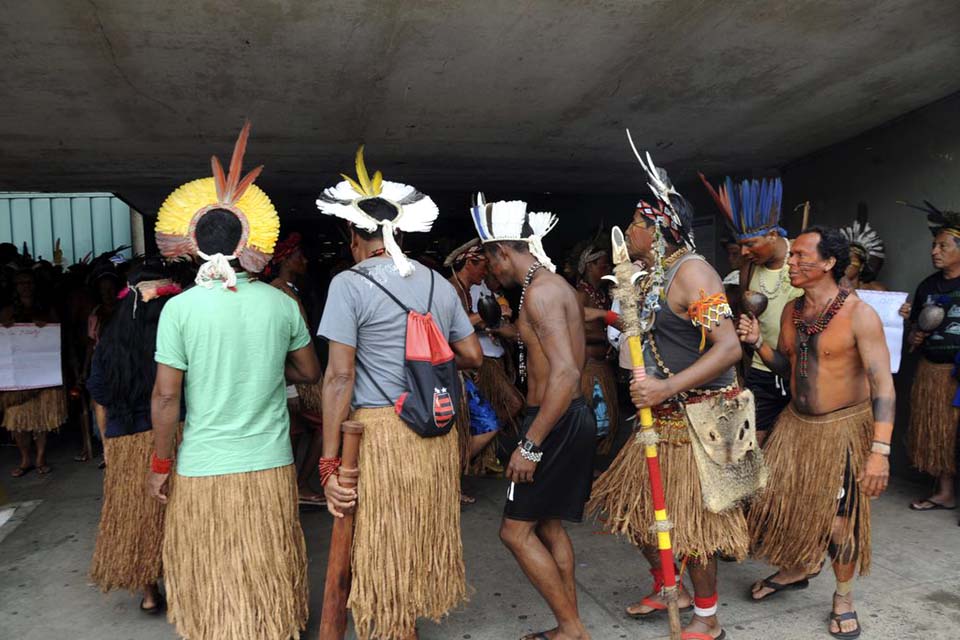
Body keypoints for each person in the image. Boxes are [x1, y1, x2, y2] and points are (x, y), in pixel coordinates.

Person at [146, 122, 320, 640]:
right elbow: (310, 371)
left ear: (194, 245)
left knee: (213, 565)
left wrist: (160, 463)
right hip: (268, 460)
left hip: (204, 464)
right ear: (250, 243)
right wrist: (268, 368)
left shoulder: (179, 310)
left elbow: (166, 395)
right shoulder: (280, 303)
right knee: (266, 558)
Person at [317, 147, 482, 640]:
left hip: (379, 434)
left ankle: (395, 629)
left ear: (353, 236)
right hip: (432, 433)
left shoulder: (348, 285)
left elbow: (339, 377)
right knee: (413, 534)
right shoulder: (436, 281)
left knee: (380, 540)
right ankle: (402, 622)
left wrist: (327, 464)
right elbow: (472, 355)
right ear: (399, 234)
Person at [590, 158, 746, 640]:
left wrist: (665, 387)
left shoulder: (694, 273)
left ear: (656, 229)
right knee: (638, 513)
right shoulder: (654, 274)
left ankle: (707, 617)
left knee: (696, 527)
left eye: (635, 225)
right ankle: (668, 585)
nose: (628, 233)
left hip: (703, 418)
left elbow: (729, 347)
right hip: (660, 417)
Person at [737, 226, 893, 639]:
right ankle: (799, 567)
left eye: (801, 257)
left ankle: (843, 597)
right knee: (785, 505)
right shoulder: (791, 310)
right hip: (797, 425)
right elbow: (788, 370)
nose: (792, 263)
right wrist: (758, 344)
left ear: (828, 263)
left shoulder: (859, 315)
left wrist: (880, 450)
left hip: (842, 430)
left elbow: (883, 385)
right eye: (792, 258)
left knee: (840, 522)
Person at [471, 194, 596, 640]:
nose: (491, 272)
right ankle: (570, 626)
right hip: (565, 416)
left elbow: (564, 371)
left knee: (514, 532)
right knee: (547, 524)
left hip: (553, 420)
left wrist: (530, 443)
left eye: (491, 262)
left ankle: (571, 627)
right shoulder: (551, 287)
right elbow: (547, 344)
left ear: (503, 251)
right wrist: (504, 331)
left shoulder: (540, 294)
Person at [88, 258, 182, 613]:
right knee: (172, 514)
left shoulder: (110, 340)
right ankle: (177, 582)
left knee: (138, 517)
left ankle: (148, 592)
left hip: (125, 438)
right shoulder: (174, 333)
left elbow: (99, 390)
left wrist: (107, 443)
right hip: (171, 434)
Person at [700, 174, 801, 444]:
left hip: (798, 371)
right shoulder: (749, 268)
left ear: (772, 235)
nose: (744, 252)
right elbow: (744, 321)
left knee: (792, 447)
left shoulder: (802, 261)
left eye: (750, 244)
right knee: (751, 445)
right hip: (760, 369)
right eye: (741, 245)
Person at [898, 201, 960, 511]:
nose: (934, 251)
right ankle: (945, 491)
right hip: (933, 372)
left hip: (957, 372)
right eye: (934, 245)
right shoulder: (927, 286)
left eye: (942, 245)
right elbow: (914, 336)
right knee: (940, 433)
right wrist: (914, 332)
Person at [266, 231, 326, 505]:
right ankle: (298, 484)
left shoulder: (290, 288)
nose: (305, 261)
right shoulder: (279, 290)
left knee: (299, 431)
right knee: (322, 427)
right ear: (286, 260)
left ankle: (291, 486)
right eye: (299, 257)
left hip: (300, 375)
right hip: (294, 377)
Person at [444, 238, 501, 484]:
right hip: (450, 373)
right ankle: (448, 479)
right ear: (469, 262)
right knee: (488, 424)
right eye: (483, 266)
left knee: (475, 428)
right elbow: (447, 330)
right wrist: (482, 316)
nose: (486, 272)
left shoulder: (465, 291)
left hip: (464, 371)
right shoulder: (449, 290)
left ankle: (451, 479)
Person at [1, 266, 67, 476]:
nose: (25, 287)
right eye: (21, 283)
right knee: (17, 420)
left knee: (40, 419)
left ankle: (40, 458)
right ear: (15, 287)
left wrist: (45, 325)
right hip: (16, 378)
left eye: (28, 283)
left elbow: (58, 334)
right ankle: (25, 459)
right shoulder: (7, 311)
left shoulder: (46, 309)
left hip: (41, 376)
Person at [570, 238, 619, 453]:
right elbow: (573, 324)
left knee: (606, 421)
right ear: (589, 266)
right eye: (603, 265)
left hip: (602, 365)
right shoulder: (580, 294)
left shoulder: (599, 294)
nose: (607, 269)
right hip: (588, 366)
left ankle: (589, 464)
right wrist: (605, 335)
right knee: (596, 422)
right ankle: (584, 464)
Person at [839, 220, 886, 291]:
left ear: (861, 266)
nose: (844, 264)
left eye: (850, 259)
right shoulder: (830, 289)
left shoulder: (876, 290)